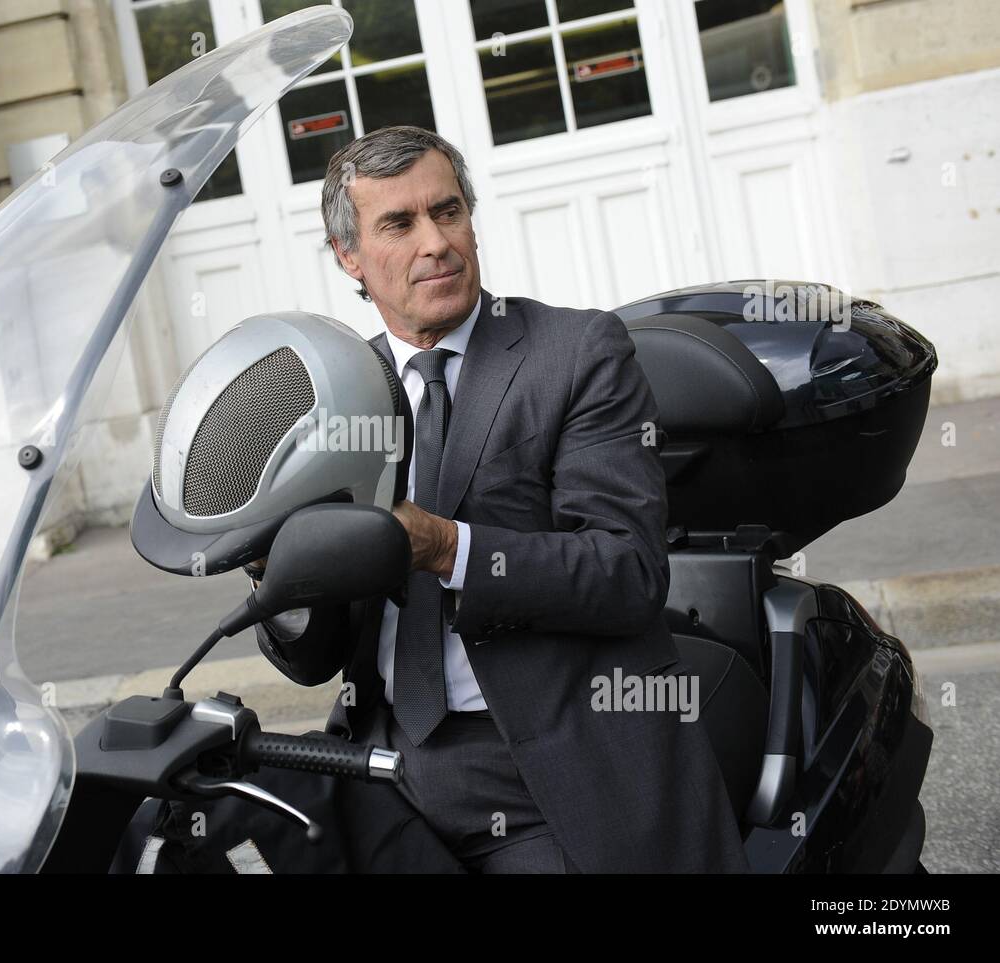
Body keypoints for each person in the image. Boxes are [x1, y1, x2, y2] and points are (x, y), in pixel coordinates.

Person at [249, 125, 748, 874]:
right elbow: (313, 656)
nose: (436, 243)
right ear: (347, 255)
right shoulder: (331, 400)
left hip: (544, 773)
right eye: (399, 223)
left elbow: (628, 573)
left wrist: (447, 548)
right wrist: (279, 571)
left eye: (447, 212)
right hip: (387, 760)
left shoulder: (576, 353)